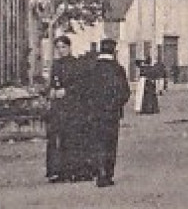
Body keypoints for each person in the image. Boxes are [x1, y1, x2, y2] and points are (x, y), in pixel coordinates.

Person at [85, 40, 132, 187]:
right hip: (112, 113)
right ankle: (108, 174)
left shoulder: (92, 68)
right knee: (110, 143)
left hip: (94, 112)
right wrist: (116, 105)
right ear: (113, 51)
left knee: (96, 141)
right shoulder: (118, 69)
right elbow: (125, 92)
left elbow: (85, 91)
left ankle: (99, 172)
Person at [45, 37, 79, 182]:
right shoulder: (56, 65)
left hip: (71, 105)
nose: (61, 50)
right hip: (57, 107)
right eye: (58, 47)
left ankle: (70, 170)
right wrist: (51, 91)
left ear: (69, 48)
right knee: (54, 138)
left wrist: (67, 91)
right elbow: (53, 82)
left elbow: (80, 85)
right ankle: (55, 170)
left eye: (63, 47)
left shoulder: (76, 64)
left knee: (70, 138)